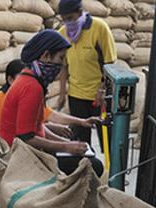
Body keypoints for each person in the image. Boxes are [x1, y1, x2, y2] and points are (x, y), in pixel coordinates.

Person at [0, 30, 105, 177]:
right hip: (21, 157)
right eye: (60, 58)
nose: (61, 65)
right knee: (95, 166)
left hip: (28, 151)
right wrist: (67, 148)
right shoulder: (32, 87)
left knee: (86, 155)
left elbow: (37, 126)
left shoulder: (30, 79)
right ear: (46, 56)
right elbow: (26, 138)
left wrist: (67, 143)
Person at [56, 0, 116, 147]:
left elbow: (109, 64)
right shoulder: (63, 33)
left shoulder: (99, 28)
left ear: (80, 11)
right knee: (79, 141)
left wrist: (102, 90)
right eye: (64, 19)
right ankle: (84, 167)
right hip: (76, 96)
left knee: (107, 139)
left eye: (70, 18)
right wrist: (62, 94)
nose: (67, 22)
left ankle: (113, 169)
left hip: (99, 96)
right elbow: (64, 67)